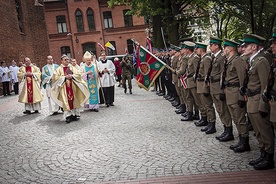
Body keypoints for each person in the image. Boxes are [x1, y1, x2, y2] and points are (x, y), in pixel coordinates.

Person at [241, 34, 274, 170]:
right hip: (251, 100)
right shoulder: (252, 61)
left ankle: (269, 157)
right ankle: (262, 153)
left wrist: (263, 105)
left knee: (264, 129)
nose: (243, 48)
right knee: (257, 130)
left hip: (258, 101)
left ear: (254, 47)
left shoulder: (261, 62)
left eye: (246, 46)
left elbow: (265, 84)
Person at [222, 39, 250, 153]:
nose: (223, 50)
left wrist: (241, 96)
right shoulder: (229, 61)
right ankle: (241, 139)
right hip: (230, 92)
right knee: (235, 118)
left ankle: (245, 142)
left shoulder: (237, 61)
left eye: (225, 48)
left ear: (230, 48)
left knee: (240, 118)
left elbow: (242, 79)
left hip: (236, 93)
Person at [50, 55, 89, 123]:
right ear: (61, 61)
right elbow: (55, 78)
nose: (67, 61)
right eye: (65, 60)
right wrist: (64, 77)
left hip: (73, 87)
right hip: (64, 88)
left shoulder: (72, 67)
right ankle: (68, 116)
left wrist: (72, 76)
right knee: (66, 101)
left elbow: (78, 74)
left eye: (67, 59)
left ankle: (75, 114)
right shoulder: (59, 69)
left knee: (74, 100)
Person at [207, 37, 233, 141]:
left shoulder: (222, 57)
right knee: (219, 109)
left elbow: (223, 74)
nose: (210, 46)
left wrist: (222, 90)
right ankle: (225, 129)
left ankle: (229, 130)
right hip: (214, 86)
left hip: (218, 86)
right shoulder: (214, 57)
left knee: (223, 109)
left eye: (211, 45)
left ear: (217, 46)